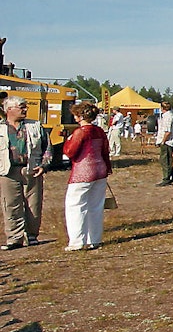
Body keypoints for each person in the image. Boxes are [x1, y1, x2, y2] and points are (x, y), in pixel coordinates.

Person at [0, 95, 53, 250]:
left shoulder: (35, 126)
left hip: (32, 170)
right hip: (8, 172)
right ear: (9, 110)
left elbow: (47, 147)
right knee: (10, 205)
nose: (25, 109)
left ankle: (32, 236)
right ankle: (14, 238)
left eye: (25, 106)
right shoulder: (1, 128)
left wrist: (44, 165)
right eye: (21, 107)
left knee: (33, 204)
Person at [62, 102, 111, 251]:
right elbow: (105, 151)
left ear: (79, 116)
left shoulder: (80, 132)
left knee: (75, 205)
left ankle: (77, 241)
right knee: (96, 206)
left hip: (83, 172)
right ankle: (94, 239)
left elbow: (70, 152)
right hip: (100, 170)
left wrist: (68, 140)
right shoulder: (100, 131)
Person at [155, 101, 173, 186]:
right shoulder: (171, 115)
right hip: (170, 141)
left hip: (168, 141)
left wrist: (163, 141)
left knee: (165, 160)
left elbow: (167, 132)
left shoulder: (168, 116)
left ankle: (166, 178)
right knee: (165, 159)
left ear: (162, 108)